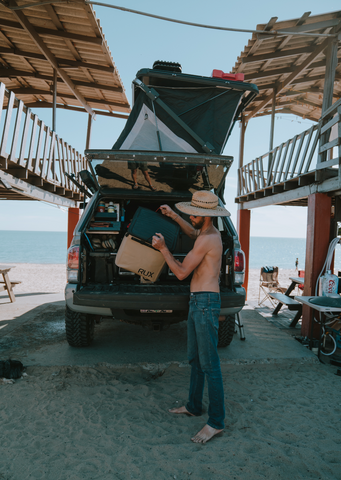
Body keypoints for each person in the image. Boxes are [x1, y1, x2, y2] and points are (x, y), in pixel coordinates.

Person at [151, 190, 230, 443]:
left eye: (192, 214)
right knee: (195, 360)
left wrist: (163, 249)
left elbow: (183, 272)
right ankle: (194, 406)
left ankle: (216, 422)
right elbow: (192, 232)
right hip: (199, 302)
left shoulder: (209, 238)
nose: (190, 216)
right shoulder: (206, 233)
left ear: (204, 215)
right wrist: (174, 215)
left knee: (210, 366)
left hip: (206, 303)